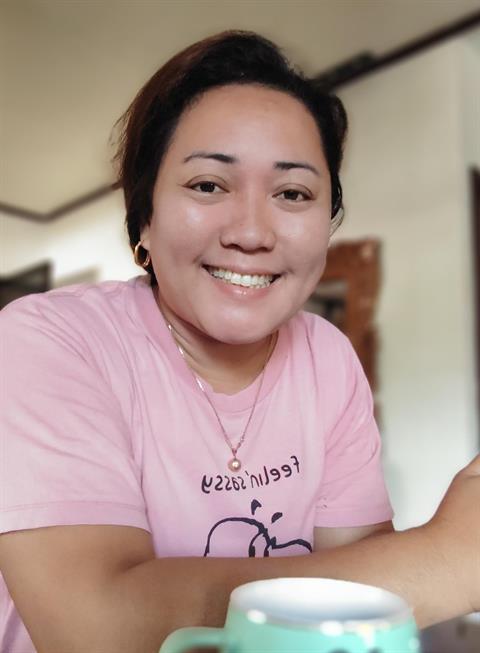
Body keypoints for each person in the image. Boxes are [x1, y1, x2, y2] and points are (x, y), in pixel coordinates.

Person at [0, 30, 478, 653]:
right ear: (144, 219)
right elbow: (97, 629)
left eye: (293, 193)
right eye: (208, 185)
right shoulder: (48, 340)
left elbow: (366, 602)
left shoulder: (327, 358)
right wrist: (450, 559)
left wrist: (444, 555)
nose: (252, 233)